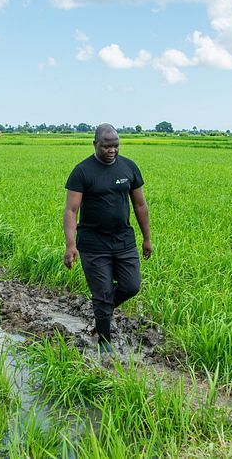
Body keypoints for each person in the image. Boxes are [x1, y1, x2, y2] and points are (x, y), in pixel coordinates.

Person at [63, 124, 152, 354]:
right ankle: (104, 342)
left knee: (131, 286)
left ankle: (102, 310)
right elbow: (71, 210)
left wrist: (147, 238)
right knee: (102, 295)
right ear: (95, 144)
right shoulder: (82, 171)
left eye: (116, 146)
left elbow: (140, 204)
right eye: (107, 146)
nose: (112, 150)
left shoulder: (129, 167)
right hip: (93, 243)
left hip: (123, 240)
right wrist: (70, 245)